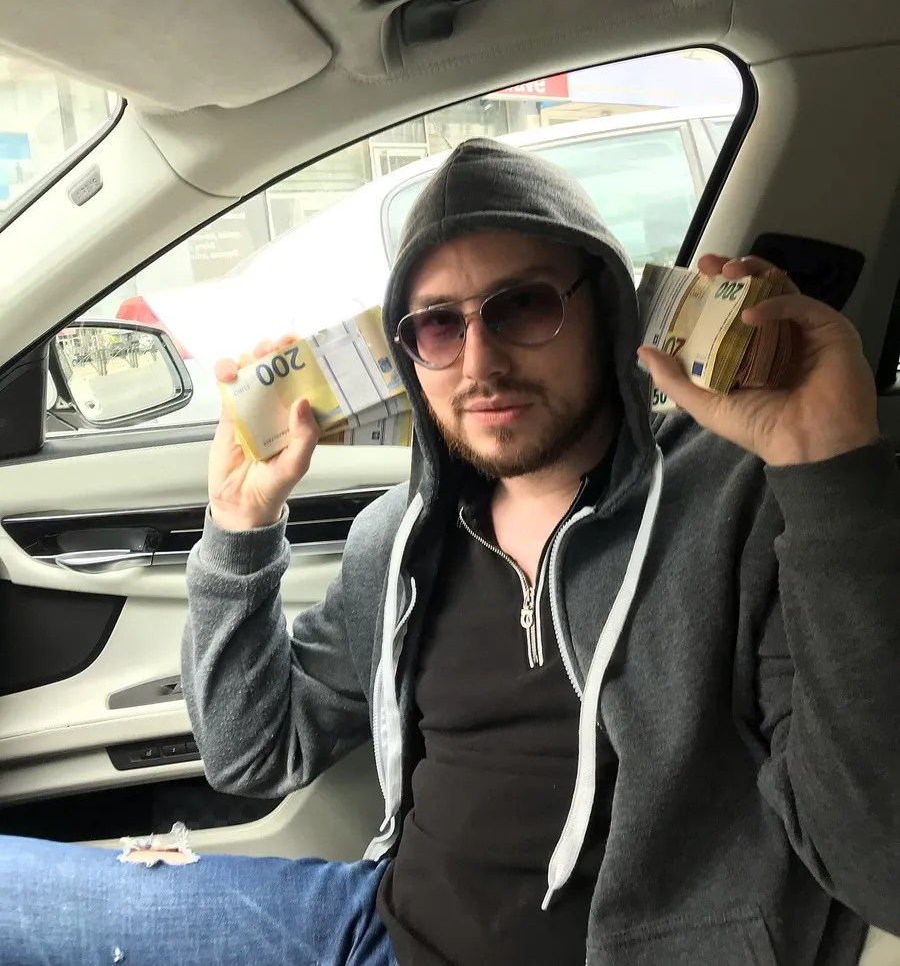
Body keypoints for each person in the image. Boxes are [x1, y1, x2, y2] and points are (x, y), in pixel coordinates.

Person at [3, 138, 899, 965]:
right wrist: (240, 526)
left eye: (524, 305)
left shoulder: (744, 502)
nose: (479, 362)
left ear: (605, 311)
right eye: (438, 325)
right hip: (378, 927)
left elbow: (878, 866)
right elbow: (252, 754)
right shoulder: (397, 536)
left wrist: (830, 470)